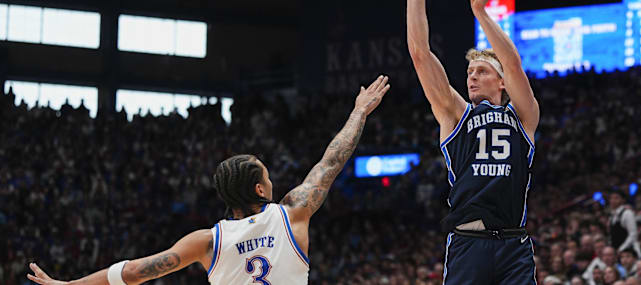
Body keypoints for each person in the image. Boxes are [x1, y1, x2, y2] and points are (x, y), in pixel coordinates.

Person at [25, 76, 391, 285]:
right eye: (267, 173)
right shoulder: (293, 214)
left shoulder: (207, 242)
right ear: (260, 189)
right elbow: (332, 160)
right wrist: (359, 111)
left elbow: (135, 271)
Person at [401, 0, 539, 285]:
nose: (472, 76)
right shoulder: (455, 114)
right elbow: (420, 54)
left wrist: (482, 14)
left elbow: (512, 61)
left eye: (481, 70)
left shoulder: (523, 115)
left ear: (502, 83)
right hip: (468, 242)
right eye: (470, 72)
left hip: (514, 243)